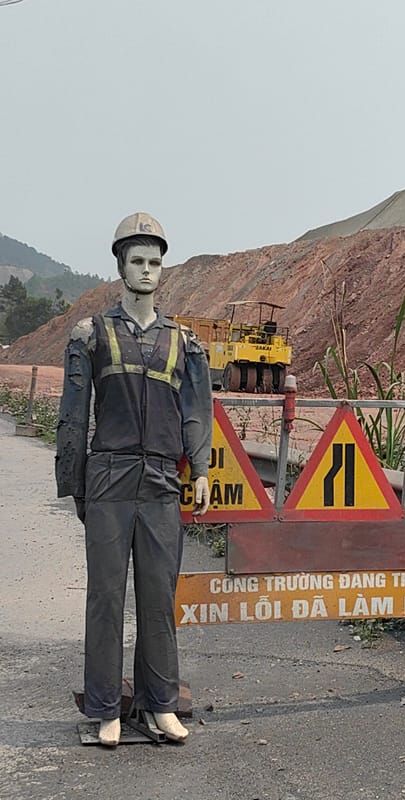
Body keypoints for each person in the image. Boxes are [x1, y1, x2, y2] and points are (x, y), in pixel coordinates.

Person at [55, 212, 212, 746]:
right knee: (105, 595)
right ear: (120, 266)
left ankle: (160, 703)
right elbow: (73, 414)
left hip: (162, 481)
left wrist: (201, 469)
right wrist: (75, 482)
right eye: (137, 260)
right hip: (109, 477)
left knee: (158, 596)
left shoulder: (185, 342)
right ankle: (105, 707)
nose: (147, 270)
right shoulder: (91, 335)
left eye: (155, 262)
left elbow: (197, 411)